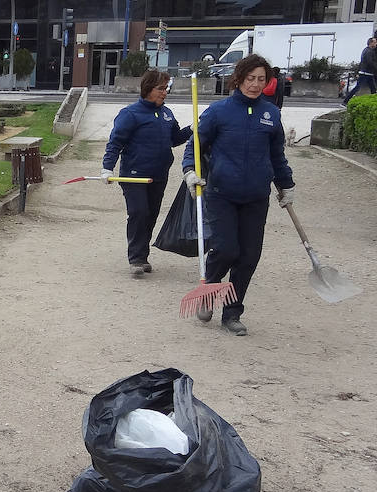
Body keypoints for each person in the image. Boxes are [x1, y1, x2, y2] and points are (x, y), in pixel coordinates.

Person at [181, 53, 294, 336]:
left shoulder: (271, 114)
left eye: (261, 80)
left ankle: (232, 313)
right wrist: (189, 171)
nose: (255, 85)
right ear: (238, 79)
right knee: (227, 249)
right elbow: (194, 146)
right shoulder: (219, 112)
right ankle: (208, 290)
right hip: (222, 193)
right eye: (250, 78)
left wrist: (286, 184)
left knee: (248, 257)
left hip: (256, 196)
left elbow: (276, 154)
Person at [101, 69, 193, 278]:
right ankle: (135, 258)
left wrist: (192, 129)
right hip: (134, 175)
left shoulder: (167, 113)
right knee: (138, 213)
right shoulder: (130, 114)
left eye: (166, 88)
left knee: (150, 215)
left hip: (159, 174)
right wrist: (107, 167)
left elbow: (175, 139)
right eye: (161, 88)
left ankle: (143, 256)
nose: (164, 93)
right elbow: (115, 142)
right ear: (148, 89)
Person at [343, 36, 377, 103]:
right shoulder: (369, 51)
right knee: (358, 88)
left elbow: (362, 62)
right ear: (371, 43)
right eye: (375, 42)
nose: (376, 44)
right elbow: (370, 62)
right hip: (365, 73)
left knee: (373, 89)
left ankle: (374, 103)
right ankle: (345, 101)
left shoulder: (366, 50)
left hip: (367, 73)